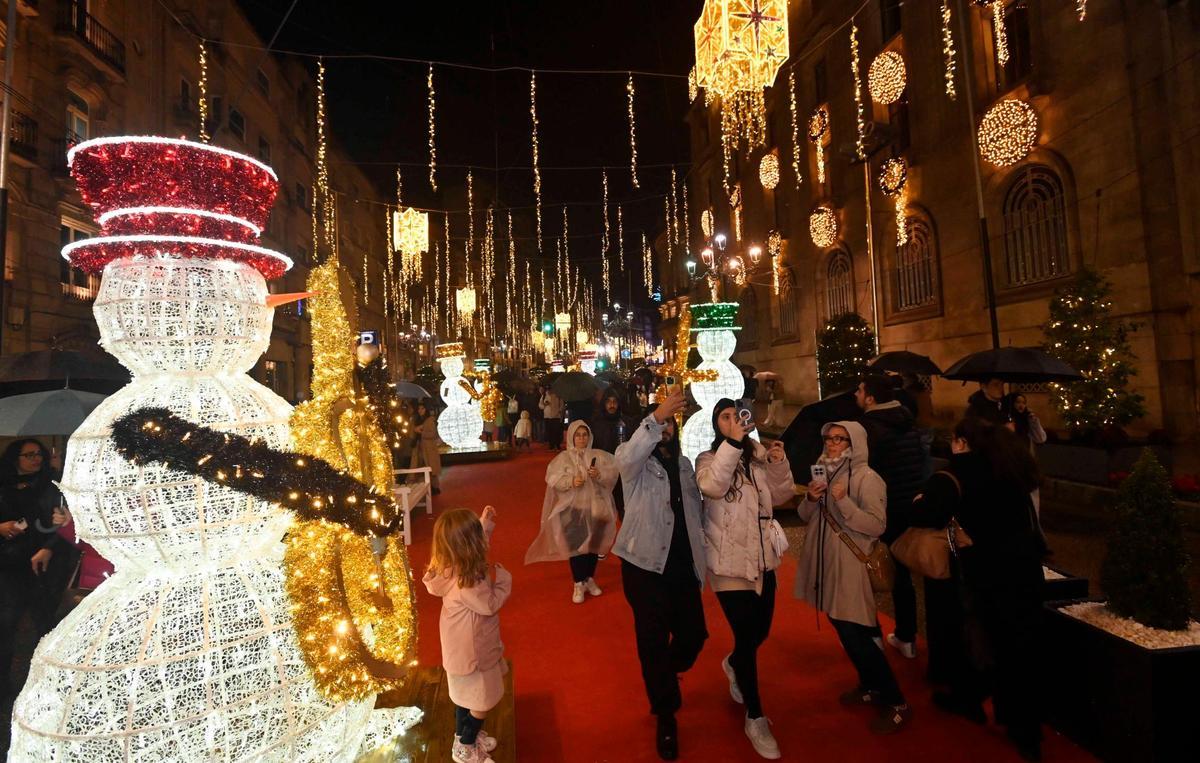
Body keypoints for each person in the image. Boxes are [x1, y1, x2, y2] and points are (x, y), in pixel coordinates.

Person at [909, 419, 1045, 761]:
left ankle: (970, 699)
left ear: (960, 442)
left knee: (980, 639)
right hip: (1024, 569)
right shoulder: (1012, 466)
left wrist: (919, 501)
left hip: (983, 572)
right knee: (1020, 646)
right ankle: (1024, 729)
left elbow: (927, 514)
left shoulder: (958, 472)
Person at [795, 422, 911, 735]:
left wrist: (844, 501)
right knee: (846, 626)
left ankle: (895, 700)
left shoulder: (866, 478)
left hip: (851, 566)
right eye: (829, 438)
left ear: (854, 443)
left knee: (855, 632)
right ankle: (870, 685)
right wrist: (810, 497)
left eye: (840, 439)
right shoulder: (823, 470)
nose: (832, 444)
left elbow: (876, 525)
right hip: (829, 562)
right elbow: (806, 516)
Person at [695, 399, 793, 760]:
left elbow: (782, 496)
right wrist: (734, 444)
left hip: (764, 560)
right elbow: (713, 487)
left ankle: (733, 663)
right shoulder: (708, 459)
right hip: (728, 564)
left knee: (760, 633)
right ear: (717, 424)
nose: (733, 421)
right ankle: (755, 715)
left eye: (738, 416)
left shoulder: (757, 457)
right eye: (725, 417)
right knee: (748, 638)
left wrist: (778, 463)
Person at [614, 390, 708, 760]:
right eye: (659, 422)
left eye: (670, 422)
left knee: (694, 635)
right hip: (644, 565)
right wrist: (655, 416)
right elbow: (627, 457)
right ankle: (666, 714)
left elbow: (697, 512)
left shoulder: (684, 464)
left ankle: (663, 676)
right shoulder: (635, 462)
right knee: (652, 641)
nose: (665, 428)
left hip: (683, 565)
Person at [424, 506, 510, 763]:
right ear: (470, 544)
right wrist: (504, 580)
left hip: (460, 650)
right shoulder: (468, 581)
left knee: (464, 696)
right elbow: (490, 604)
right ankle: (466, 746)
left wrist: (484, 524)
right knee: (480, 703)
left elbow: (471, 543)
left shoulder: (450, 567)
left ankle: (462, 735)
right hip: (475, 652)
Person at [855, 375, 926, 661]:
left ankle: (872, 635)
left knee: (868, 569)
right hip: (906, 504)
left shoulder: (868, 429)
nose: (856, 395)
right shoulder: (906, 420)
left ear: (871, 397)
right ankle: (907, 636)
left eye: (860, 390)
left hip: (878, 508)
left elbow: (862, 471)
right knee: (902, 574)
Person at [0, 438, 77, 696]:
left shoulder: (52, 485)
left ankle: (49, 682)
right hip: (10, 562)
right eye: (29, 455)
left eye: (39, 454)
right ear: (15, 459)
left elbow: (63, 522)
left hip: (47, 562)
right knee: (7, 621)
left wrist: (50, 546)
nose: (36, 459)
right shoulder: (4, 485)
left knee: (47, 621)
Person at [526, 421, 619, 603]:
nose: (582, 439)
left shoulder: (598, 456)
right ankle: (578, 582)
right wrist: (570, 481)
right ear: (571, 437)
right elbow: (552, 478)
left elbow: (612, 474)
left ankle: (589, 578)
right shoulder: (563, 458)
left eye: (585, 435)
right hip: (572, 509)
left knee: (593, 546)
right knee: (576, 548)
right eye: (578, 435)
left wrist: (598, 475)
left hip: (595, 508)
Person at [589, 388, 637, 519]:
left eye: (614, 402)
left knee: (624, 508)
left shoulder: (626, 422)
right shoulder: (596, 423)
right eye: (609, 402)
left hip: (623, 470)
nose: (612, 405)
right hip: (603, 472)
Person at [410, 400, 443, 495]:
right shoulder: (416, 420)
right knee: (421, 468)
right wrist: (415, 430)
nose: (420, 410)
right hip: (419, 448)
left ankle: (434, 487)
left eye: (422, 408)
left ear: (426, 409)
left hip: (429, 449)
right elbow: (412, 433)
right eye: (419, 409)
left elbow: (433, 434)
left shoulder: (429, 420)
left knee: (431, 469)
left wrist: (421, 432)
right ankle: (424, 488)